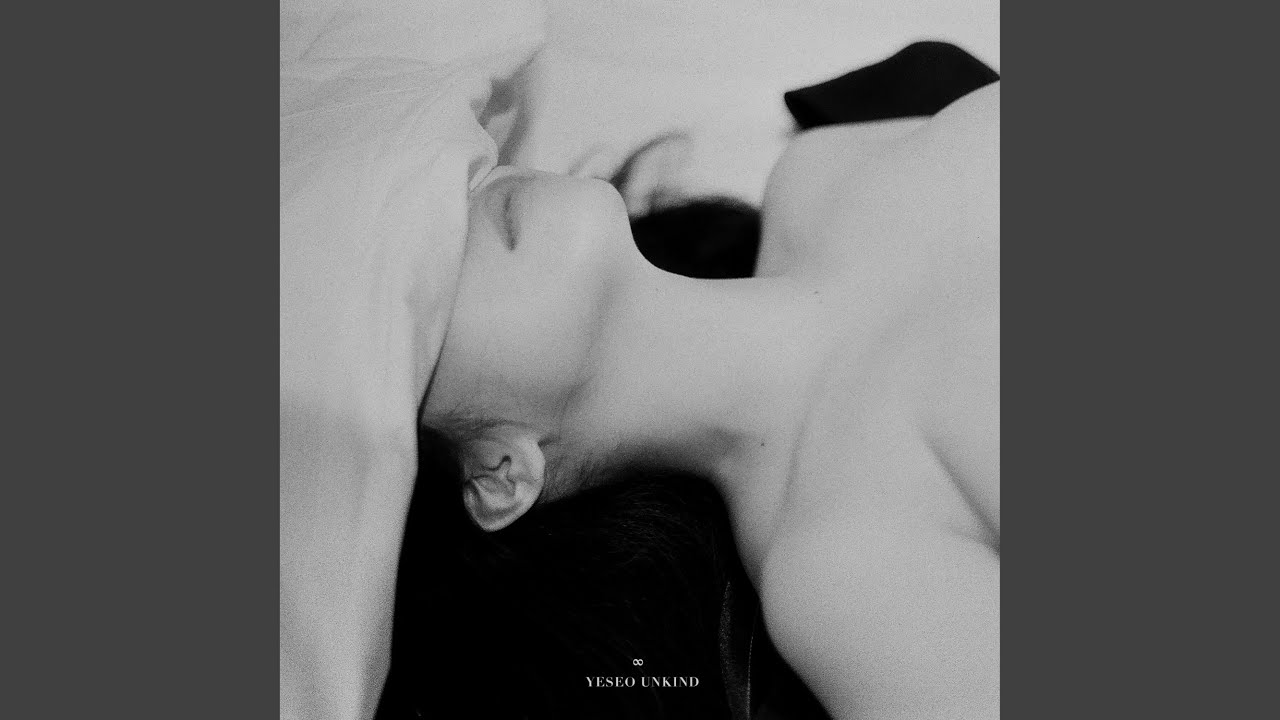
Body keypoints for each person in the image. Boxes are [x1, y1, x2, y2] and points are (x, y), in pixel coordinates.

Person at [383, 82, 999, 720]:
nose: (448, 205)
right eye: (398, 286)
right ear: (498, 475)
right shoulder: (838, 571)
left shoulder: (818, 174)